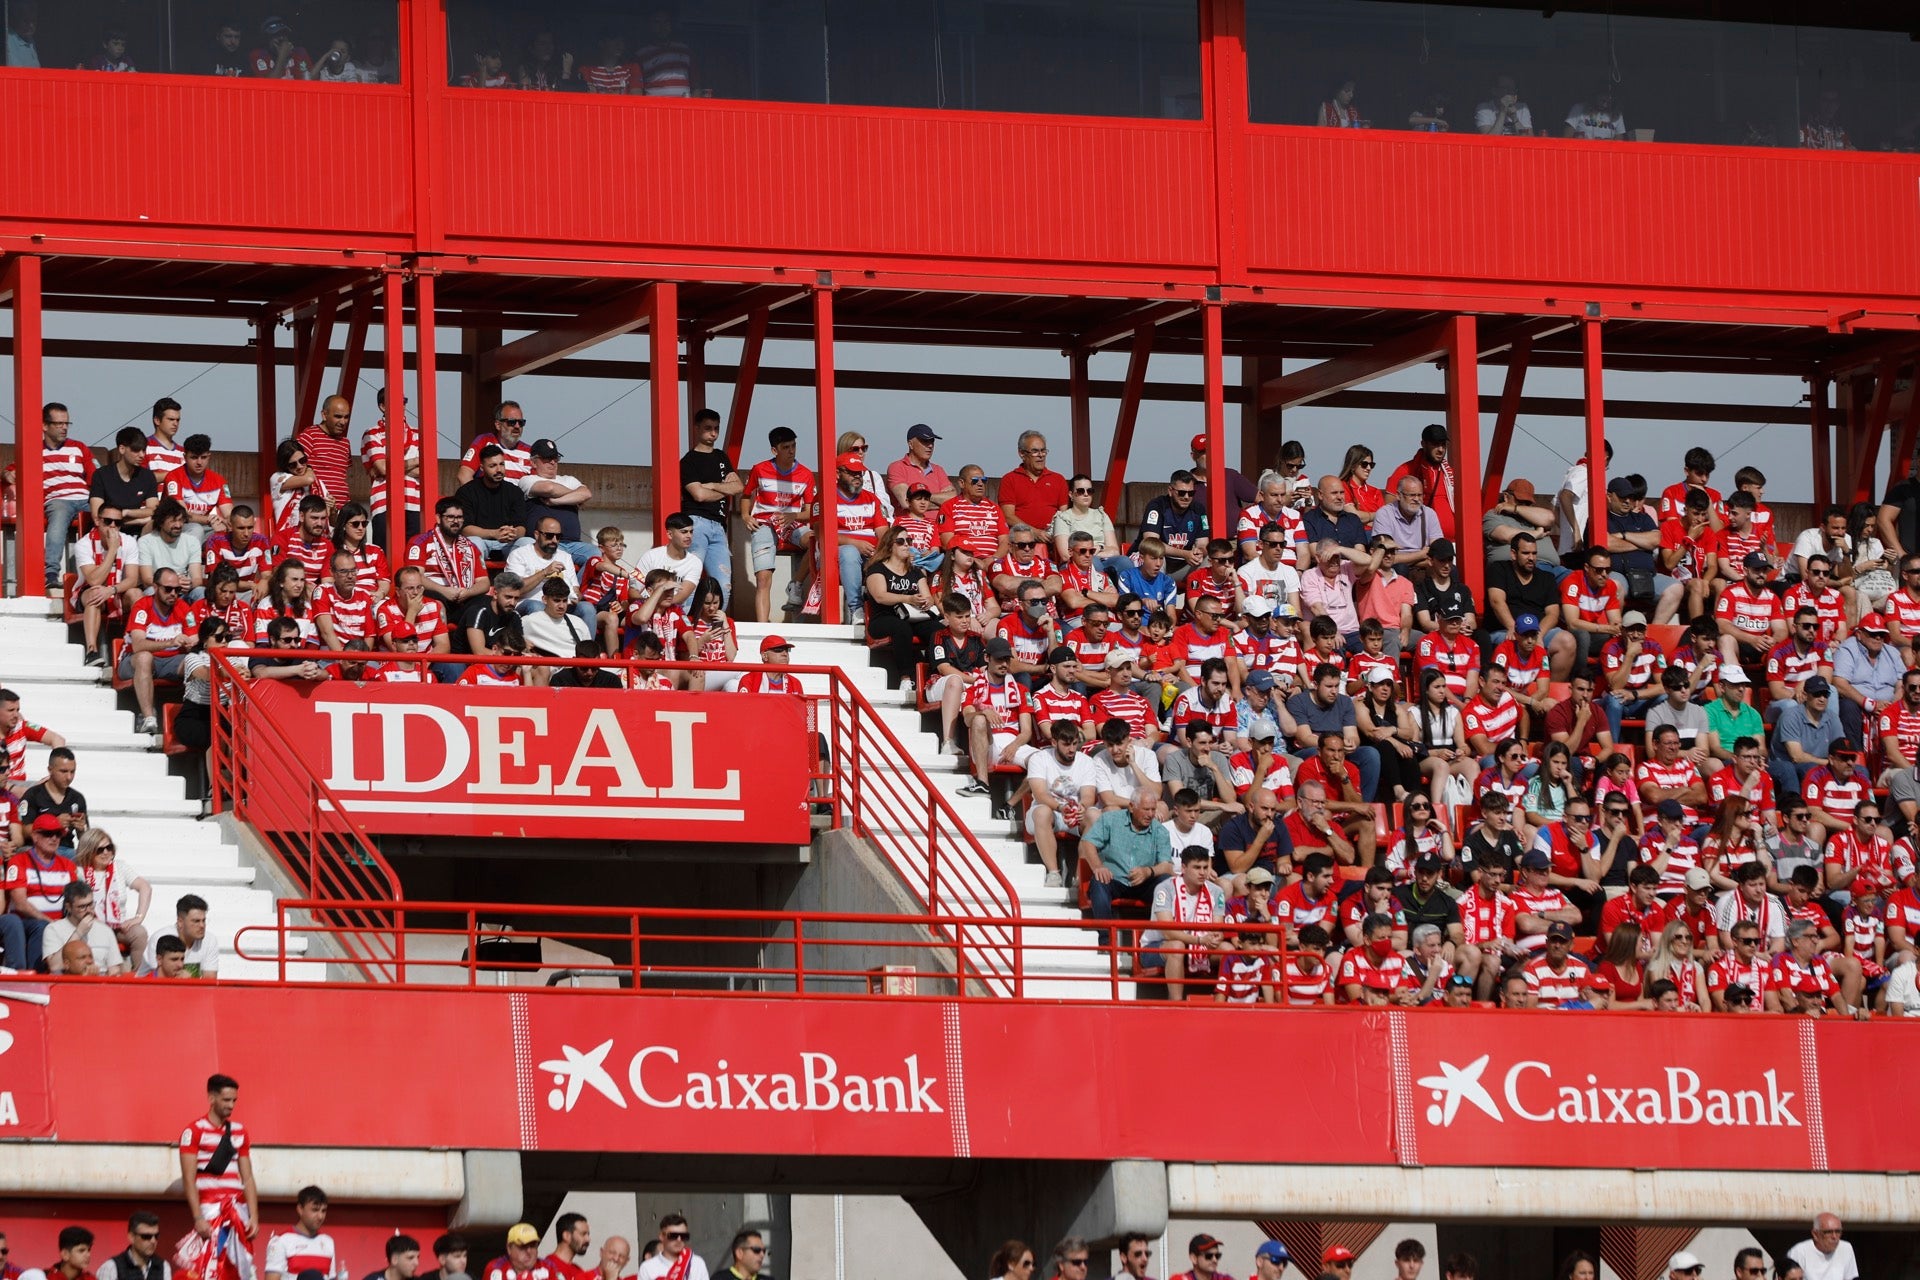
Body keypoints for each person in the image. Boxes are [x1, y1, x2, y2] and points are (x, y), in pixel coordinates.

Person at [743, 425, 818, 622]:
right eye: (786, 447)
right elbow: (745, 495)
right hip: (764, 523)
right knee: (763, 578)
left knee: (816, 541)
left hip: (792, 523)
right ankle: (762, 629)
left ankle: (796, 585)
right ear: (774, 450)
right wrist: (745, 516)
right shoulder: (759, 469)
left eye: (793, 445)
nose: (791, 451)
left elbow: (811, 511)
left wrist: (794, 517)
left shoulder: (806, 474)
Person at [179, 1072, 257, 1250]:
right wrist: (198, 1217)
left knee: (239, 1269)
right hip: (210, 1209)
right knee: (211, 1265)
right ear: (211, 1098)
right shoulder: (194, 1131)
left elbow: (248, 1178)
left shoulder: (240, 1131)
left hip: (238, 1209)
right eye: (226, 1100)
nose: (231, 1105)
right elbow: (188, 1179)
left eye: (234, 1100)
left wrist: (254, 1216)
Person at [679, 408, 742, 605]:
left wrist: (713, 485)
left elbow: (739, 486)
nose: (713, 433)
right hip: (697, 524)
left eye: (716, 428)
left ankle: (716, 630)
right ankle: (686, 627)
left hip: (719, 526)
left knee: (724, 585)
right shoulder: (688, 461)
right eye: (708, 428)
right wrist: (725, 489)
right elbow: (698, 495)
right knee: (690, 580)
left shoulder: (721, 457)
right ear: (697, 428)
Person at [455, 445, 530, 559]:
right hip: (481, 541)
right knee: (473, 543)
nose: (499, 470)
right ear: (482, 468)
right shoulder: (467, 492)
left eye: (501, 464)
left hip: (508, 543)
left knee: (527, 543)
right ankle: (478, 577)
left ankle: (519, 577)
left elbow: (522, 528)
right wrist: (494, 533)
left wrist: (513, 533)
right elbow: (465, 529)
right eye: (492, 466)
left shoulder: (514, 491)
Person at [41, 880, 122, 975]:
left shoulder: (105, 930)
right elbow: (54, 966)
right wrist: (78, 933)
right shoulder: (53, 929)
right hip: (69, 984)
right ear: (68, 907)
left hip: (101, 982)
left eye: (90, 904)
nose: (88, 910)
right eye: (82, 907)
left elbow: (115, 968)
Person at [263, 1186, 343, 1280]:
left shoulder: (328, 1242)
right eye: (315, 1210)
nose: (320, 1216)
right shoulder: (281, 1241)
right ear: (300, 1209)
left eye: (323, 1211)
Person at [1000, 431, 1069, 532]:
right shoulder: (1010, 479)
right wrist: (1034, 532)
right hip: (1021, 539)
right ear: (1022, 454)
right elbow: (1008, 516)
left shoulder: (1058, 479)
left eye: (1043, 450)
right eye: (1035, 451)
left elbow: (1064, 516)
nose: (1041, 455)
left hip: (1052, 537)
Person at [140, 892, 219, 977]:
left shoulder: (210, 940)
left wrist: (190, 982)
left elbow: (210, 982)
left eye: (203, 920)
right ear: (180, 922)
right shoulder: (160, 938)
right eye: (196, 921)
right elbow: (158, 979)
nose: (202, 925)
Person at [95, 1213, 170, 1280]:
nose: (153, 1241)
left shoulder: (163, 1266)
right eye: (146, 1236)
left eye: (156, 1236)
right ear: (131, 1237)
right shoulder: (111, 1267)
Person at [1787, 1215, 1857, 1280]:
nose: (1834, 1236)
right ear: (1815, 1234)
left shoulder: (1846, 1248)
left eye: (1838, 1231)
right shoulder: (1799, 1252)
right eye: (1828, 1232)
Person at [635, 1217, 705, 1280]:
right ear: (661, 1236)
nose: (679, 1240)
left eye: (684, 1236)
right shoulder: (647, 1267)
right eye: (673, 1236)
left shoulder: (697, 1263)